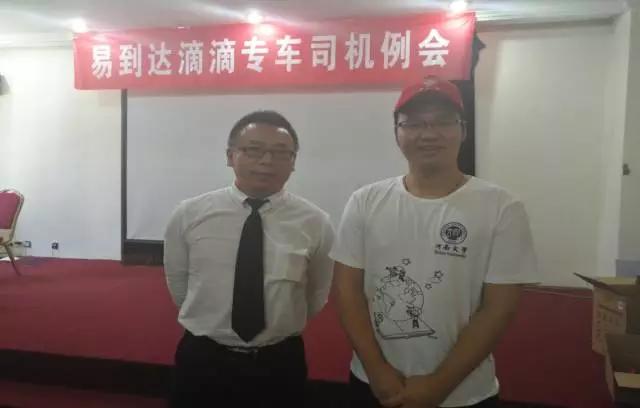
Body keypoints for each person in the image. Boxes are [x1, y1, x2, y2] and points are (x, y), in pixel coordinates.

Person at [330, 76, 539, 408]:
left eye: (443, 122)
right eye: (413, 123)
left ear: (463, 131)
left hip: (464, 394)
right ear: (397, 133)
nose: (428, 134)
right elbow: (347, 292)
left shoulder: (501, 207)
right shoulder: (365, 201)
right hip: (373, 384)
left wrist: (438, 386)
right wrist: (377, 370)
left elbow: (498, 308)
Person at [164, 110, 334, 407]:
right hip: (204, 358)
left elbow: (316, 294)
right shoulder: (189, 214)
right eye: (254, 150)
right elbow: (179, 283)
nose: (267, 161)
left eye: (280, 153)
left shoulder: (315, 222)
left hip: (278, 362)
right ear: (230, 156)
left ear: (293, 162)